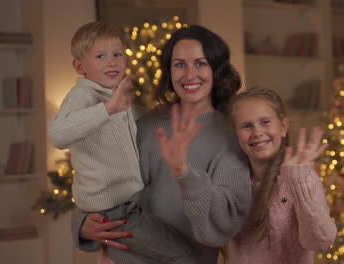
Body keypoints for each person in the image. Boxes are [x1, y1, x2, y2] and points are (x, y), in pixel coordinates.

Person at [71, 24, 252, 264]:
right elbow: (102, 182)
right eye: (179, 65)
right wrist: (83, 224)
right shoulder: (145, 123)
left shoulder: (230, 136)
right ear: (169, 71)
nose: (189, 75)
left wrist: (184, 173)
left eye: (200, 63)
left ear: (216, 69)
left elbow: (224, 224)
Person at [49, 21, 193, 263]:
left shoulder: (112, 93)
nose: (112, 62)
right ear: (79, 66)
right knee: (182, 256)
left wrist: (164, 111)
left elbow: (128, 121)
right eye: (100, 56)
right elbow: (58, 134)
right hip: (115, 209)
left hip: (129, 202)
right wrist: (108, 108)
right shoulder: (84, 95)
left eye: (117, 54)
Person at [227, 87, 337, 264]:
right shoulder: (231, 179)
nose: (257, 132)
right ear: (236, 134)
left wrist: (298, 183)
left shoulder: (302, 177)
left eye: (265, 122)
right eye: (247, 126)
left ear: (283, 126)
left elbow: (321, 241)